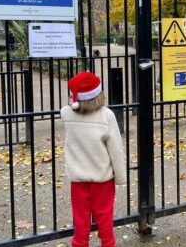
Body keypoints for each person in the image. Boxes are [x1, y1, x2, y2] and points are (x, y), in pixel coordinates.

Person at [61, 71, 126, 247]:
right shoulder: (107, 116)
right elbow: (116, 150)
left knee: (81, 219)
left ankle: (79, 244)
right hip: (102, 178)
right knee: (105, 218)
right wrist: (120, 177)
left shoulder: (67, 114)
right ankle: (108, 244)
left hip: (78, 178)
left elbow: (69, 106)